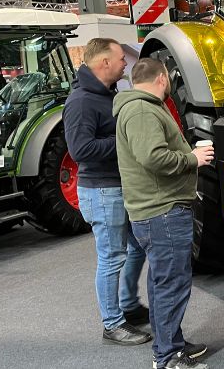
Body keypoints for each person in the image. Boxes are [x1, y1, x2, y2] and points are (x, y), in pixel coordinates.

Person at [114, 58, 213, 369]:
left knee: (162, 283)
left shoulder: (138, 107)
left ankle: (171, 343)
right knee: (171, 284)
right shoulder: (142, 109)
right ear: (160, 78)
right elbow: (153, 158)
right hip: (163, 211)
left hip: (157, 210)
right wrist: (192, 159)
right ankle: (168, 357)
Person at [64, 38, 151, 346]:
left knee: (136, 248)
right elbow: (80, 150)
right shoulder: (82, 101)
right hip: (102, 192)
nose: (125, 63)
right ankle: (112, 324)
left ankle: (127, 305)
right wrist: (124, 142)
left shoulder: (107, 94)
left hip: (117, 187)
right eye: (120, 59)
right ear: (104, 64)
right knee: (111, 257)